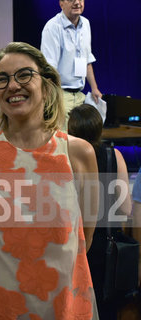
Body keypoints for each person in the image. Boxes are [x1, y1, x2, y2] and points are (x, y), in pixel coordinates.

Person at [0, 42, 99, 319]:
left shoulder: (79, 153)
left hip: (62, 306)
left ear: (46, 85)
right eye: (3, 79)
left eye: (24, 75)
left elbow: (84, 241)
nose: (13, 85)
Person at [68, 103, 132, 320]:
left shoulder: (66, 157)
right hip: (106, 247)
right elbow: (126, 208)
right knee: (106, 310)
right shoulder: (114, 156)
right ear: (99, 127)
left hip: (74, 245)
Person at [41, 0, 102, 130]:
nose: (77, 3)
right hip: (61, 95)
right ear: (61, 3)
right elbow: (48, 69)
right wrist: (53, 99)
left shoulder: (85, 24)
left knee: (83, 140)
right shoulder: (52, 27)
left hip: (80, 95)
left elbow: (87, 59)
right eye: (71, 0)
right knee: (64, 142)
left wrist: (94, 88)